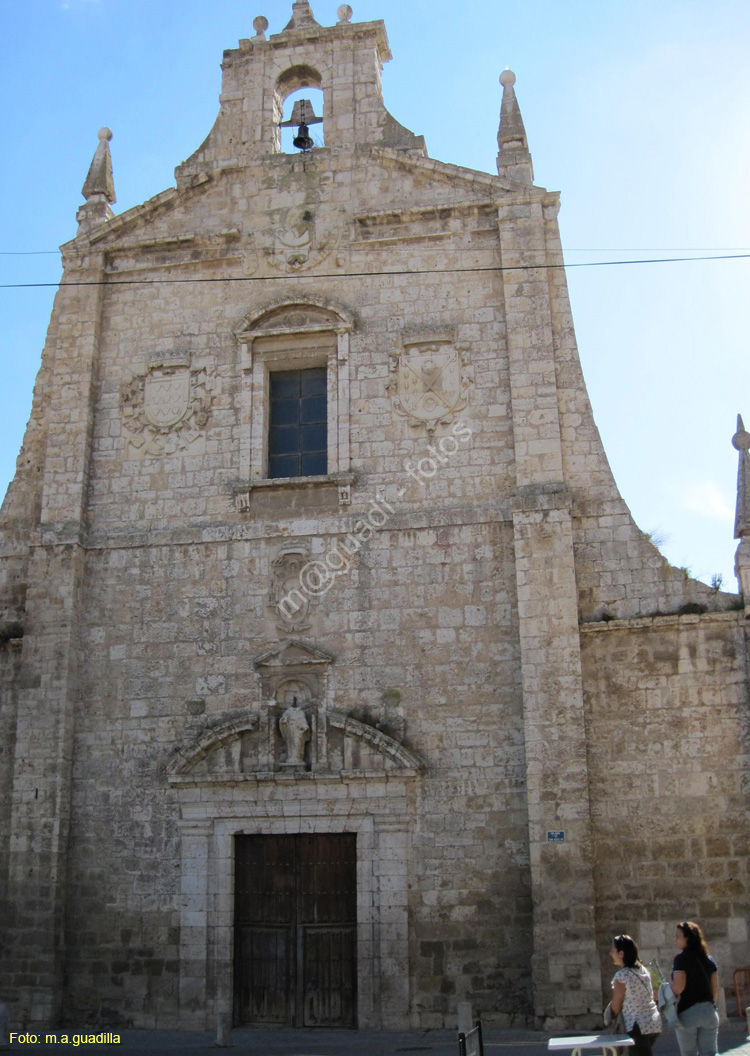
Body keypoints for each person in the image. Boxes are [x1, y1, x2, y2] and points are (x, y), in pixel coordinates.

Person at [670, 921, 719, 1056]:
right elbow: (714, 989)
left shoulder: (680, 959)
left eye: (678, 936)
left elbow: (679, 987)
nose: (675, 940)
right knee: (710, 1053)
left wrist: (663, 992)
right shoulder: (709, 960)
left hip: (688, 1013)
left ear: (687, 938)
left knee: (689, 1053)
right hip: (709, 1012)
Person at [609, 934, 661, 1055]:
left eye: (613, 950)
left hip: (637, 1026)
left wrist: (609, 1015)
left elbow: (616, 1006)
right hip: (653, 1023)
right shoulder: (643, 970)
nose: (610, 954)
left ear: (621, 954)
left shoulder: (621, 976)